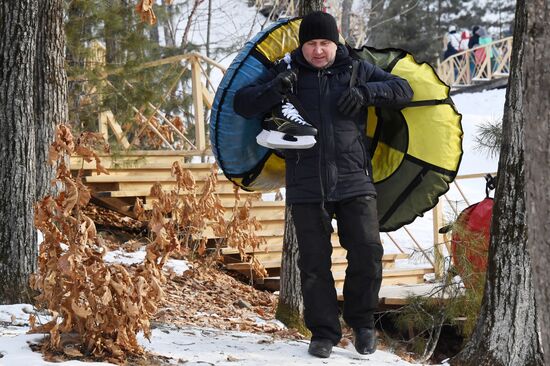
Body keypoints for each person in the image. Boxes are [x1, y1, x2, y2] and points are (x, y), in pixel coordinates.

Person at [233, 11, 413, 359]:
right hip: (305, 183)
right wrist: (275, 89)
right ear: (303, 45)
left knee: (368, 251)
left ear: (336, 42)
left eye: (325, 43)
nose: (318, 50)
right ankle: (324, 332)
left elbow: (402, 90)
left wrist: (364, 94)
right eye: (312, 43)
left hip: (354, 179)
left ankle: (362, 324)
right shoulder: (287, 71)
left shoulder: (356, 68)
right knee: (314, 263)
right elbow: (243, 104)